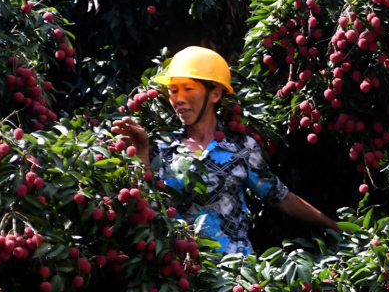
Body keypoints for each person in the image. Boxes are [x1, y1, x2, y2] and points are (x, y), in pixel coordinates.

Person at [112, 45, 339, 255]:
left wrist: (335, 227)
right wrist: (141, 150)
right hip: (182, 279)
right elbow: (144, 206)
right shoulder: (162, 149)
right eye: (173, 90)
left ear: (215, 94)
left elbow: (281, 198)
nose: (178, 99)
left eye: (188, 89)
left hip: (234, 278)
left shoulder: (242, 148)